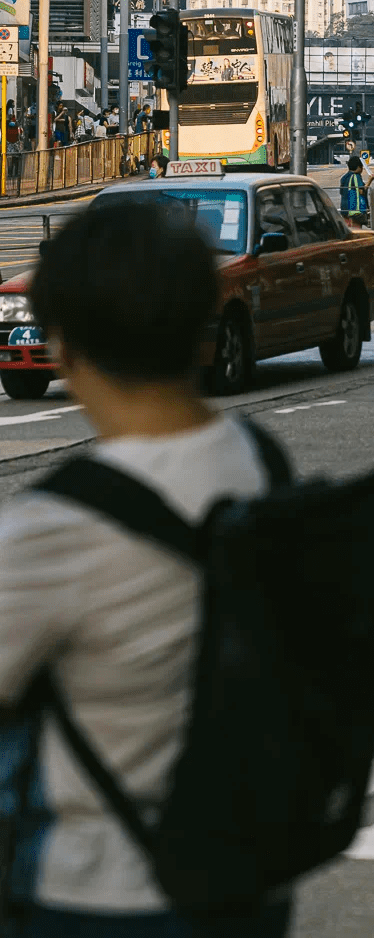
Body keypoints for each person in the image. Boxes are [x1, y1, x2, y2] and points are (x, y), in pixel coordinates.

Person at [2, 199, 291, 936]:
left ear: (63, 343)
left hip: (105, 897)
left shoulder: (60, 526)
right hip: (245, 876)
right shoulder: (258, 459)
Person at [339, 154, 371, 225]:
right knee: (356, 229)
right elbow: (361, 191)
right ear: (358, 167)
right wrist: (370, 180)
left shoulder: (344, 177)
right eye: (362, 167)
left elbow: (341, 192)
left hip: (344, 209)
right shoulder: (356, 176)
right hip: (354, 209)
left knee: (349, 230)